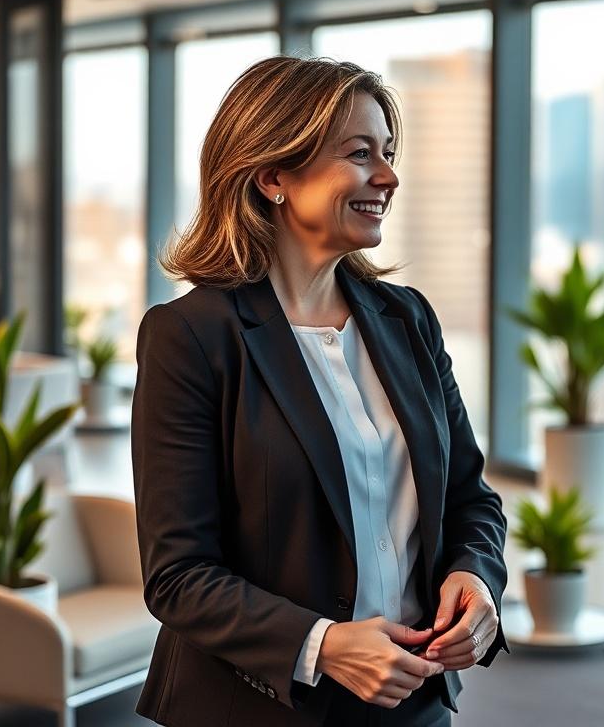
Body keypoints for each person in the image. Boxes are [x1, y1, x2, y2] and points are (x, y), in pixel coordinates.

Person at [132, 56, 508, 726]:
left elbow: (469, 498)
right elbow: (178, 575)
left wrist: (476, 578)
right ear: (273, 176)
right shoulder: (191, 336)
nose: (388, 177)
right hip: (260, 707)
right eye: (360, 154)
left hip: (413, 702)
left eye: (388, 153)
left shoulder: (407, 319)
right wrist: (325, 645)